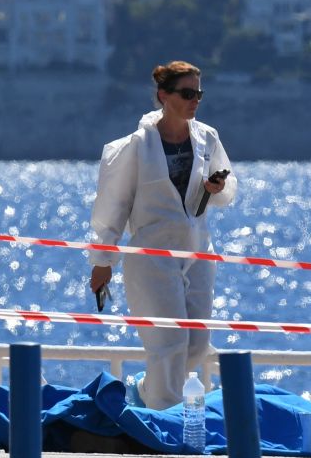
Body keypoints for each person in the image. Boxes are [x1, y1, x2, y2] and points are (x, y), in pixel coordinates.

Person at [88, 61, 237, 410]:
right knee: (170, 343)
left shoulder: (207, 137)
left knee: (198, 343)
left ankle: (145, 390)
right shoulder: (136, 147)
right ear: (163, 96)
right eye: (187, 93)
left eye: (198, 93)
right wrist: (102, 261)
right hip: (151, 255)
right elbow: (114, 205)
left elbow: (229, 191)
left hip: (198, 252)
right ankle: (165, 423)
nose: (195, 100)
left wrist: (217, 186)